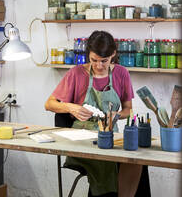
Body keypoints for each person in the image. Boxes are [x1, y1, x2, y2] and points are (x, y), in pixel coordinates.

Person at [45, 31, 149, 197]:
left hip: (109, 136)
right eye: (94, 60)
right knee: (106, 160)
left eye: (104, 61)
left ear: (113, 55)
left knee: (138, 161)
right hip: (80, 140)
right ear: (88, 55)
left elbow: (128, 110)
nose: (99, 66)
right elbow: (49, 104)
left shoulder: (121, 73)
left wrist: (116, 115)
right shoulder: (77, 73)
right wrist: (72, 108)